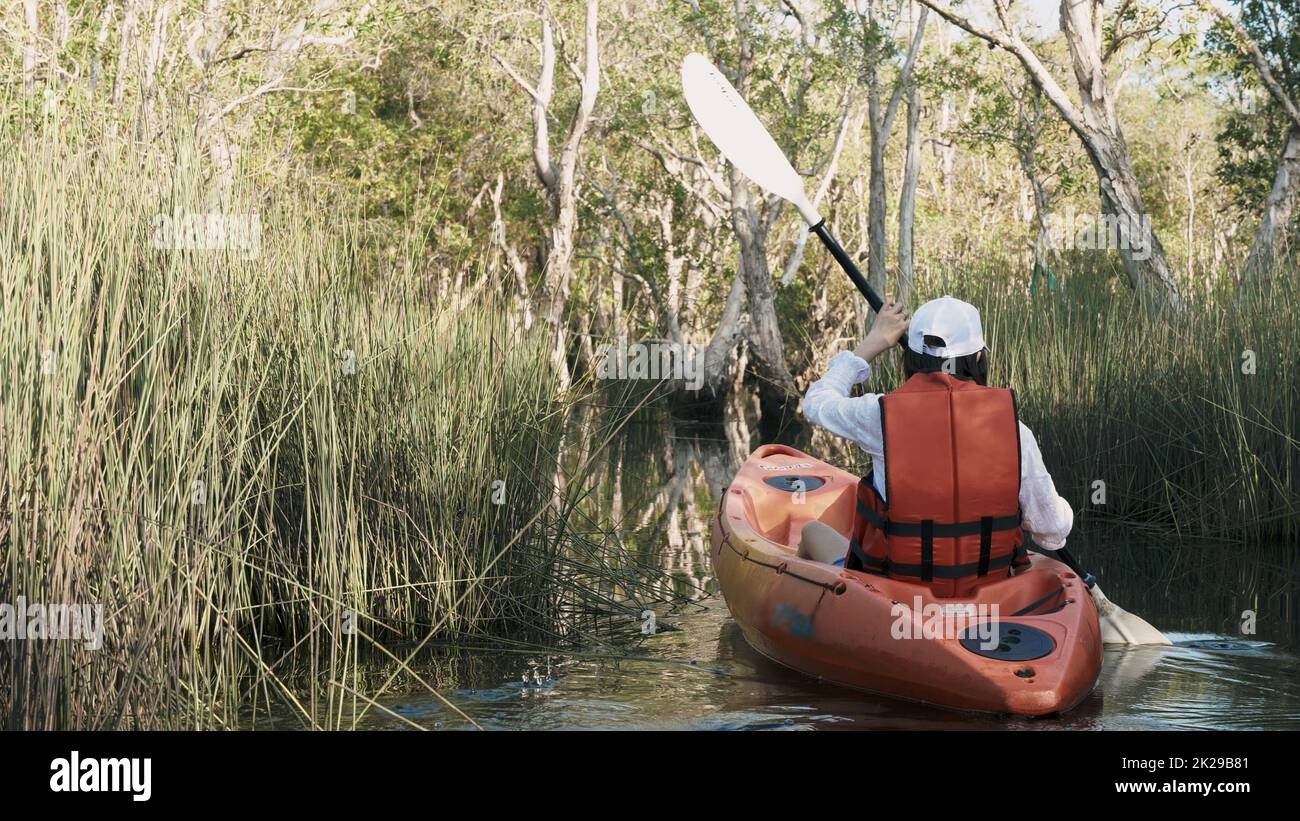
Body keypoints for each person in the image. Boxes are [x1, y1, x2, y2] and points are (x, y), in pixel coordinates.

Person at [798, 295, 1074, 597]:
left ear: (911, 359)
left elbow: (817, 403)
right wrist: (1059, 509)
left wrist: (872, 344)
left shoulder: (880, 416)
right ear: (979, 358)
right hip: (990, 600)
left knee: (812, 531)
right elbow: (1052, 531)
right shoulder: (1015, 431)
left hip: (892, 600)